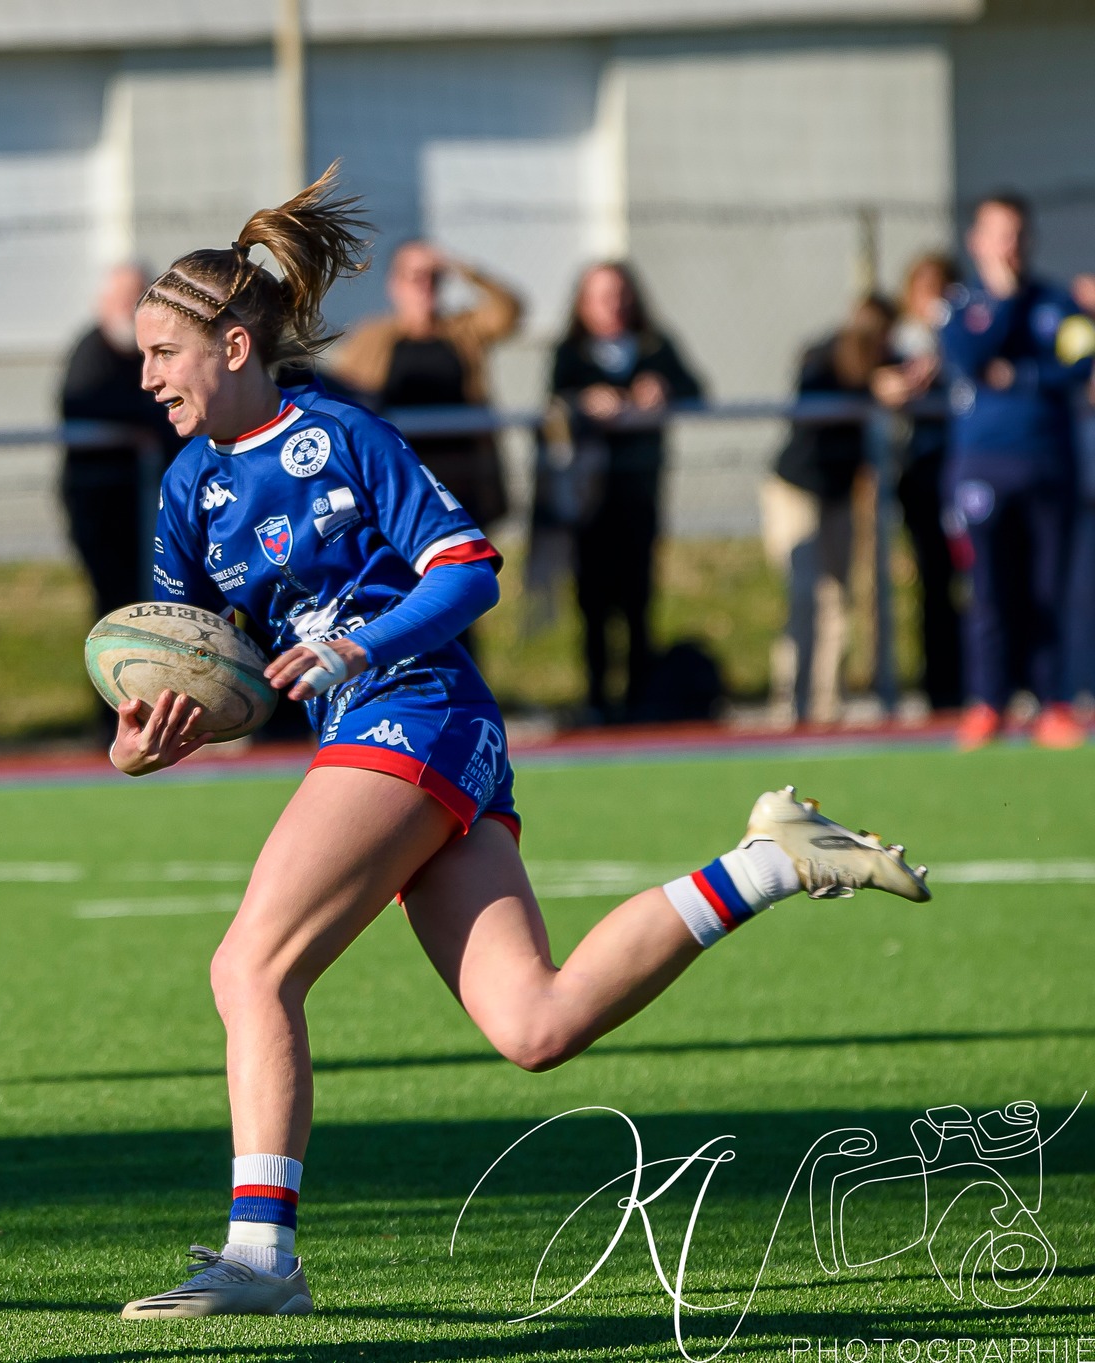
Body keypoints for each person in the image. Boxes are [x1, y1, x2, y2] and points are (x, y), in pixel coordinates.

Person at [111, 166, 929, 1320]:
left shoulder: (341, 435)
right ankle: (768, 861)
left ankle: (258, 1258)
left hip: (415, 709)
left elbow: (466, 568)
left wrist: (354, 648)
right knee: (532, 1024)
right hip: (394, 738)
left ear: (234, 346)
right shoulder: (186, 488)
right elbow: (176, 659)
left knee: (249, 966)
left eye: (161, 354)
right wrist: (138, 745)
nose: (143, 376)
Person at [938, 193, 1093, 750]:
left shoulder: (1058, 303)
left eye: (1018, 234)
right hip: (982, 466)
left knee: (1050, 588)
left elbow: (1079, 366)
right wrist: (1003, 302)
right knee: (988, 593)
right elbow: (972, 357)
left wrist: (1022, 376)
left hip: (1050, 464)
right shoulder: (962, 306)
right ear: (976, 241)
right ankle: (987, 703)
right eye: (998, 234)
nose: (1010, 246)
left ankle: (1052, 702)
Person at [550, 262, 704, 721]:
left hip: (639, 494)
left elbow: (695, 389)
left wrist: (663, 389)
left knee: (637, 600)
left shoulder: (655, 348)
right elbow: (555, 401)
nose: (612, 305)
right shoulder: (571, 353)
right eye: (600, 296)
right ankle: (597, 700)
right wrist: (584, 403)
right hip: (589, 499)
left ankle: (640, 701)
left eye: (619, 295)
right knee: (593, 602)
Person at [59, 264, 184, 732]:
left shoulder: (155, 355)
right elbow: (89, 406)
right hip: (105, 510)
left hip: (152, 508)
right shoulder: (92, 353)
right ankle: (115, 717)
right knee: (115, 613)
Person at [764, 296, 893, 723]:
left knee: (838, 598)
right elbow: (811, 408)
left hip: (841, 492)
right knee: (805, 594)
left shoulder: (889, 359)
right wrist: (868, 390)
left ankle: (825, 704)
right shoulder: (822, 358)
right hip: (798, 487)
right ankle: (790, 702)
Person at [330, 240, 520, 529]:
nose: (425, 285)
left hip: (462, 478)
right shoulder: (371, 336)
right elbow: (341, 394)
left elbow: (509, 310)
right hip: (396, 480)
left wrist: (459, 265)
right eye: (415, 276)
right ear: (394, 285)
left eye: (434, 276)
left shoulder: (463, 330)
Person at [874, 253, 964, 712]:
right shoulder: (897, 343)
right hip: (925, 477)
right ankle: (941, 688)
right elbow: (866, 373)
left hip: (969, 471)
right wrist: (894, 383)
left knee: (982, 581)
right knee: (934, 582)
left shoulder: (969, 334)